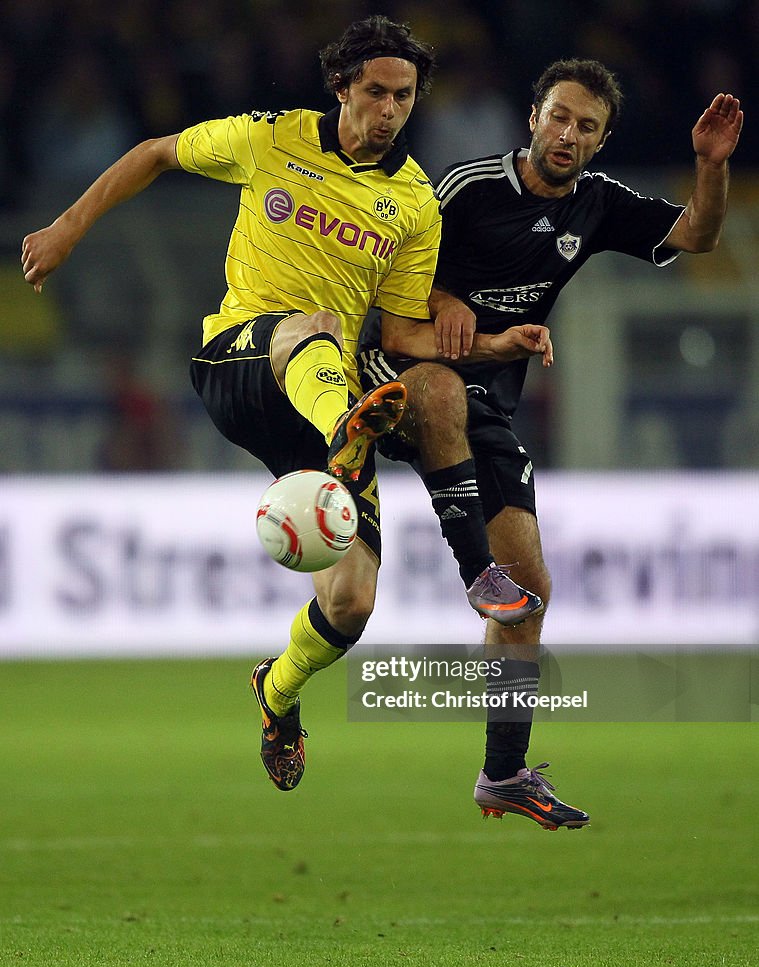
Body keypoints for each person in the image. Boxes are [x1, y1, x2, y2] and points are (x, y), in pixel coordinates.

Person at [21, 15, 549, 795]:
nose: (389, 109)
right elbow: (155, 153)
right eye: (375, 91)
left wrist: (494, 346)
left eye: (403, 96)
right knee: (320, 328)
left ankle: (277, 691)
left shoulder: (411, 203)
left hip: (319, 402)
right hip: (239, 359)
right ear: (341, 87)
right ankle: (364, 443)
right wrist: (68, 228)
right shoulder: (270, 138)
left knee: (352, 602)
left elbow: (403, 329)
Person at [360, 60, 743, 829]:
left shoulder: (597, 206)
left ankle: (502, 773)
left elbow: (697, 235)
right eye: (559, 117)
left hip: (488, 399)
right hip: (406, 371)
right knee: (456, 515)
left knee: (527, 593)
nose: (568, 134)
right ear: (532, 117)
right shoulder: (467, 187)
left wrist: (710, 165)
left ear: (600, 140)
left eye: (586, 126)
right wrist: (437, 298)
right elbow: (385, 265)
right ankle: (348, 462)